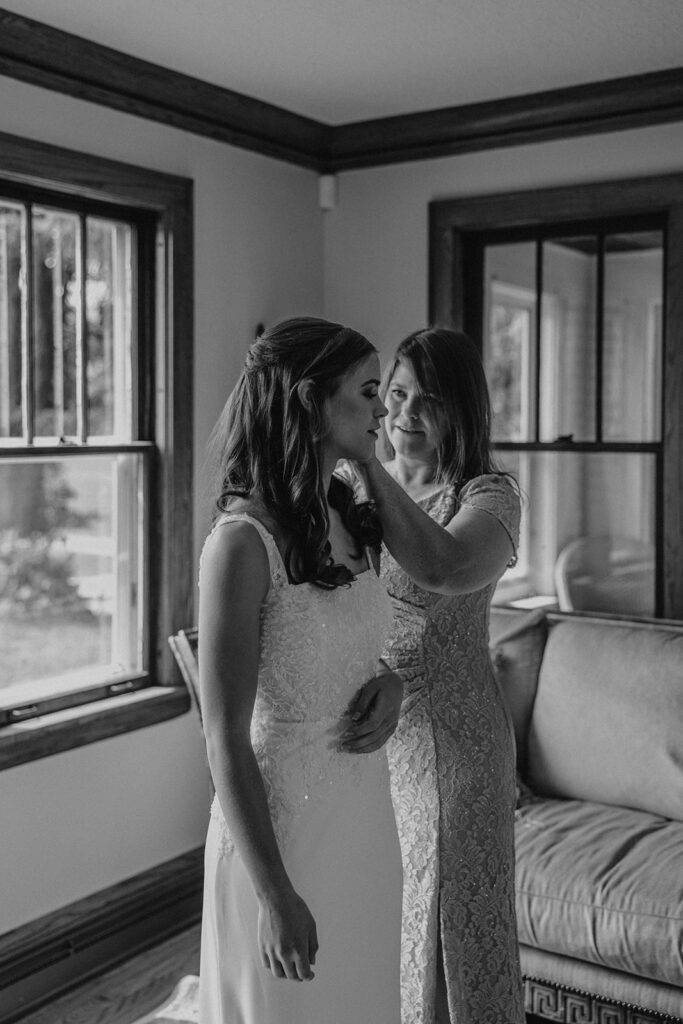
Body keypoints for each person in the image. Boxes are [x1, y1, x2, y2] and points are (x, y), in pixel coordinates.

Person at [197, 317, 404, 1024]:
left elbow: (348, 647)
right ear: (313, 402)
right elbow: (221, 735)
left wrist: (392, 681)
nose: (384, 410)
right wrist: (275, 895)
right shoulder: (241, 544)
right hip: (280, 835)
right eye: (368, 392)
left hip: (366, 823)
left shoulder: (351, 514)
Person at [347, 327, 526, 1024]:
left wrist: (367, 467)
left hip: (454, 745)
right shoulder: (347, 489)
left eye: (429, 399)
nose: (405, 414)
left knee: (449, 921)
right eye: (395, 395)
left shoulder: (488, 496)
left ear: (464, 410)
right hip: (369, 740)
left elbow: (446, 568)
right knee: (383, 918)